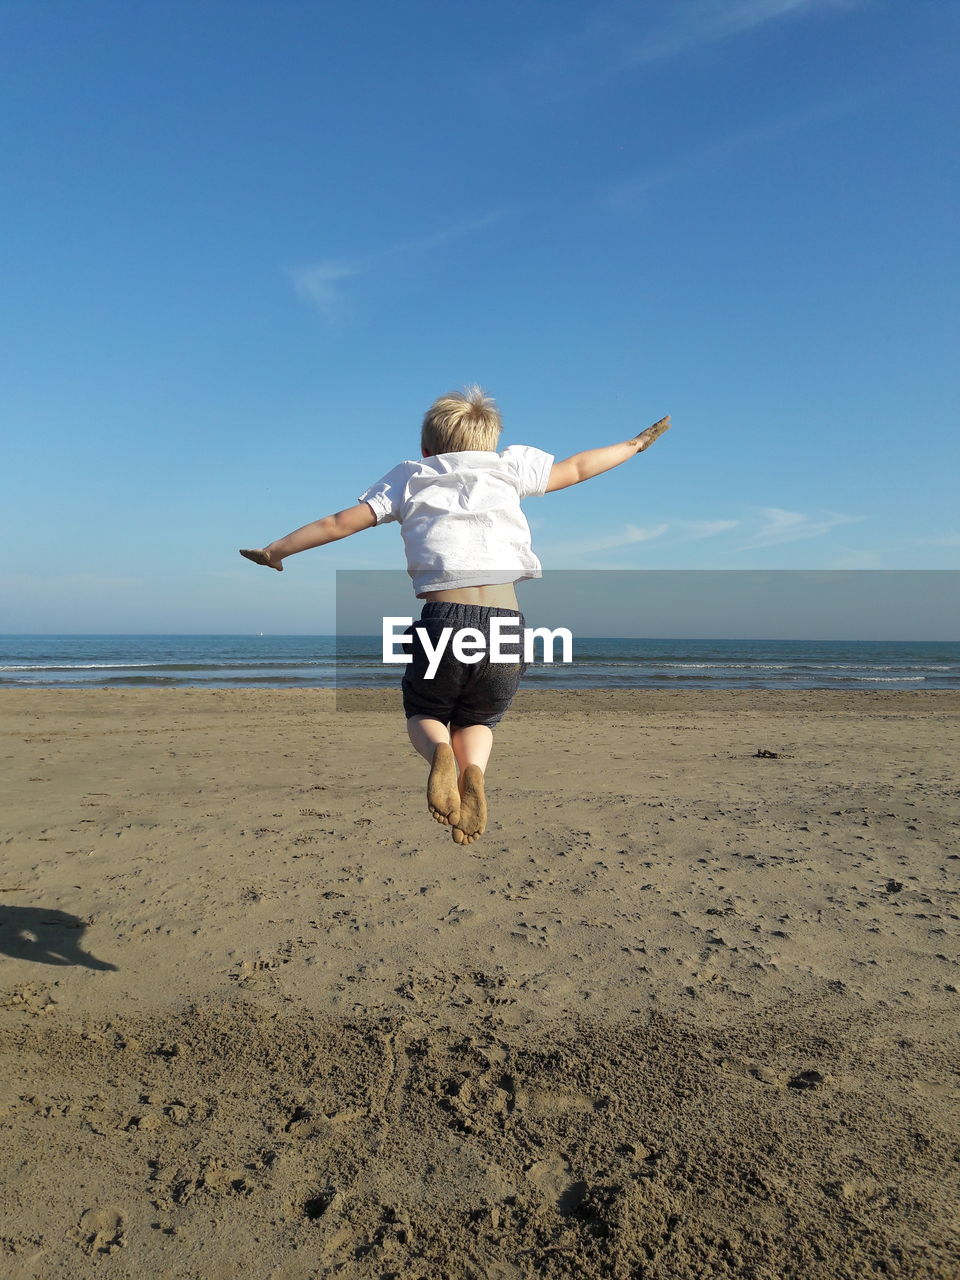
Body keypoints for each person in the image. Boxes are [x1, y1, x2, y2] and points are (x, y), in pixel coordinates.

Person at [241, 387, 670, 845]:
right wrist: (634, 445)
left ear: (426, 450)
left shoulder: (411, 476)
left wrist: (275, 550)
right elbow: (580, 467)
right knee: (479, 719)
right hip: (507, 621)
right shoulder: (509, 467)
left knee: (425, 709)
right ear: (490, 442)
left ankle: (441, 754)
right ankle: (474, 774)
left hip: (444, 615)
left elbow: (337, 522)